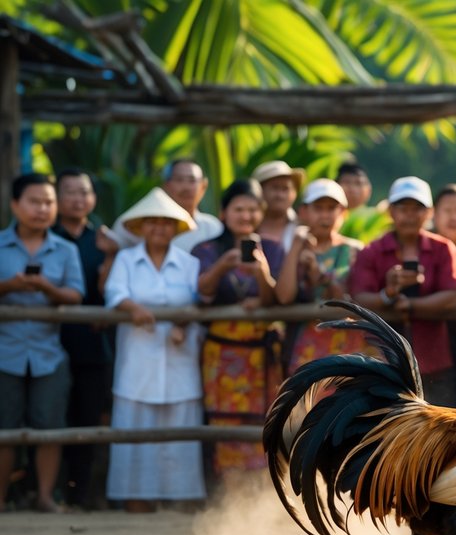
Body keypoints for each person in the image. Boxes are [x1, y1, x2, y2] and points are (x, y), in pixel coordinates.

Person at [102, 189, 205, 512]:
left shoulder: (190, 264)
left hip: (179, 359)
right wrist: (132, 307)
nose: (159, 229)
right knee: (136, 436)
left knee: (180, 438)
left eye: (166, 223)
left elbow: (198, 304)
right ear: (141, 227)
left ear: (176, 228)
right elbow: (114, 291)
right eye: (153, 223)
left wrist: (183, 325)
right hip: (138, 361)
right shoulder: (125, 260)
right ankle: (137, 505)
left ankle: (179, 506)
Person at [0, 174, 84, 512]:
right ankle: (1, 499)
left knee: (51, 426)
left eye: (48, 202)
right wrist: (9, 286)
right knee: (3, 429)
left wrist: (47, 289)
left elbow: (76, 295)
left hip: (49, 353)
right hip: (4, 352)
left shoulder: (66, 250)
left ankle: (46, 496)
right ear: (15, 205)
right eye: (35, 201)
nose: (42, 209)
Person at [194, 179, 284, 480]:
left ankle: (261, 489)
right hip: (221, 351)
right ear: (223, 212)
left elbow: (278, 300)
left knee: (264, 417)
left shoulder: (271, 248)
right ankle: (227, 490)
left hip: (261, 352)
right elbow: (202, 293)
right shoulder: (206, 249)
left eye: (252, 209)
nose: (245, 216)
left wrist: (262, 274)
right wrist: (223, 264)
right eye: (238, 209)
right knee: (223, 419)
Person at [349, 176, 456, 404]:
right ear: (391, 211)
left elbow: (453, 296)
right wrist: (389, 293)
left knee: (437, 428)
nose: (410, 215)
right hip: (382, 359)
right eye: (403, 208)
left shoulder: (442, 249)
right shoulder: (372, 251)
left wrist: (410, 305)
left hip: (433, 358)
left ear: (429, 213)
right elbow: (359, 297)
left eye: (417, 209)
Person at [52, 169, 115, 509]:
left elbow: (113, 290)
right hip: (52, 339)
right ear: (57, 198)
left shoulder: (104, 240)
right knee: (51, 417)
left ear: (93, 198)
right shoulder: (45, 237)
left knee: (90, 416)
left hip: (95, 343)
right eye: (70, 192)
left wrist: (111, 255)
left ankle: (82, 494)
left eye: (84, 192)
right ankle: (47, 490)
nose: (78, 199)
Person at [277, 179, 366, 373]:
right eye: (318, 208)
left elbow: (353, 301)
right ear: (304, 212)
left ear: (343, 212)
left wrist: (319, 273)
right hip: (303, 347)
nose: (325, 215)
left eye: (331, 208)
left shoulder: (355, 250)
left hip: (347, 346)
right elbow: (284, 296)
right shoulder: (292, 248)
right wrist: (296, 246)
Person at [110, 160, 224, 253]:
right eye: (179, 180)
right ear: (166, 185)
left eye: (192, 180)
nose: (186, 187)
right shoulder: (135, 223)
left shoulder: (214, 228)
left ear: (203, 186)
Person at [253, 161, 305, 252]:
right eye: (275, 188)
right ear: (259, 191)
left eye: (285, 189)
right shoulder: (246, 223)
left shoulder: (303, 226)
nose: (280, 195)